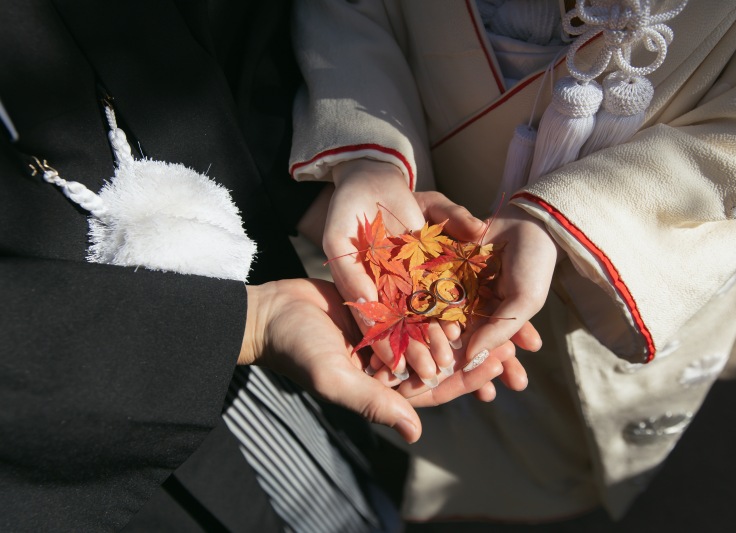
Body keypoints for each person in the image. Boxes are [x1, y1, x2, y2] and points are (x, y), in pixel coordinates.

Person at [0, 1, 519, 531]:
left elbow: (229, 35)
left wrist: (323, 193)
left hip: (275, 300)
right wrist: (246, 324)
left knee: (336, 478)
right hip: (87, 399)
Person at [290, 0, 736, 524]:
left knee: (570, 403)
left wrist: (563, 218)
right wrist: (371, 161)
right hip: (424, 177)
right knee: (462, 381)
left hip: (641, 231)